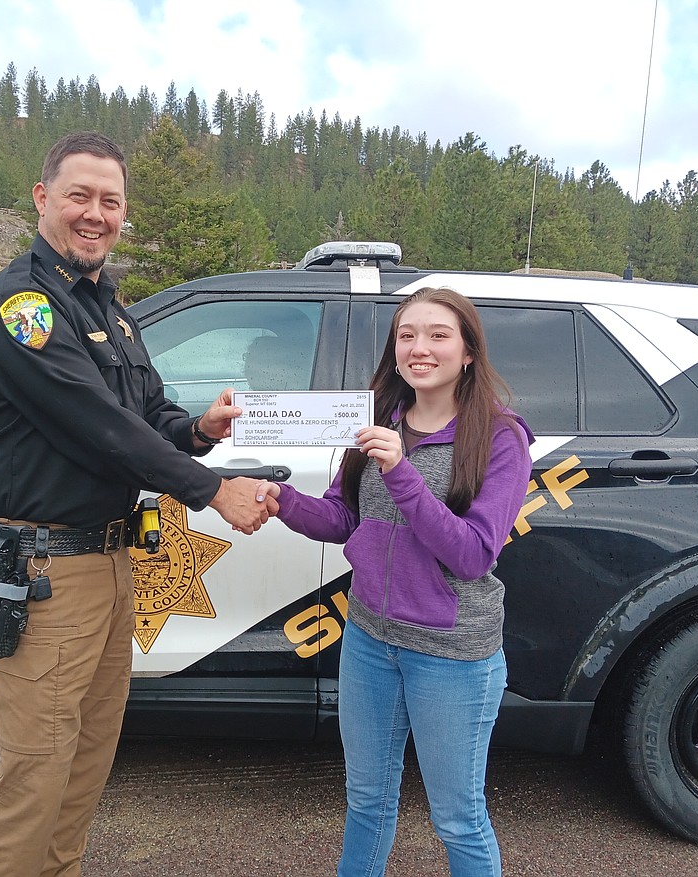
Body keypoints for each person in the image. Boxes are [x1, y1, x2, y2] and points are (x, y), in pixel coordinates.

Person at [0, 131, 272, 877]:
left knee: (85, 763)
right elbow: (95, 425)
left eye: (111, 201)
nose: (95, 214)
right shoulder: (21, 307)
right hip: (45, 575)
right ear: (43, 199)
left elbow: (145, 411)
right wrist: (211, 489)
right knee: (34, 774)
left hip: (108, 565)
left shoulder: (113, 311)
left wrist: (200, 430)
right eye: (80, 196)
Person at [258, 287, 533, 876]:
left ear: (467, 352)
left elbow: (474, 555)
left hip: (452, 654)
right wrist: (281, 500)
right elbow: (342, 520)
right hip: (368, 642)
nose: (419, 348)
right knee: (366, 803)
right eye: (407, 335)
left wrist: (401, 471)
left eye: (438, 335)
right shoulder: (378, 422)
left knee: (458, 817)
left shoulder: (501, 439)